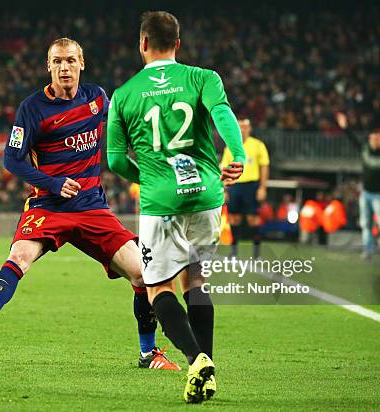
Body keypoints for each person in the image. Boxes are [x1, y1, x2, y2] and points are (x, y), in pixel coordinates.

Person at [0, 38, 179, 371]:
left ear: (81, 63)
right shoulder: (32, 109)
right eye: (57, 62)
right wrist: (52, 183)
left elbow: (125, 127)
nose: (64, 68)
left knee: (142, 273)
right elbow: (12, 159)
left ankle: (148, 353)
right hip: (47, 206)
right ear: (48, 66)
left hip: (91, 207)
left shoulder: (97, 98)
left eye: (70, 61)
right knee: (20, 256)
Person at [107, 11, 245, 403]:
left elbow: (115, 161)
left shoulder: (125, 94)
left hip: (160, 201)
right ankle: (208, 370)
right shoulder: (203, 78)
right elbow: (223, 114)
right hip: (205, 196)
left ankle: (195, 359)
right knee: (196, 281)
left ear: (143, 44)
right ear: (178, 44)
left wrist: (147, 178)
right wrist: (236, 154)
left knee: (158, 288)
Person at [335, 112, 380, 260]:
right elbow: (352, 139)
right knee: (365, 223)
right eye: (373, 138)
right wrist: (345, 127)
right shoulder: (365, 150)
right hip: (366, 193)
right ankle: (368, 250)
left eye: (378, 138)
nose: (375, 141)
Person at [219, 118, 269, 259]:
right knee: (234, 219)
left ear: (250, 128)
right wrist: (225, 189)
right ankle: (234, 253)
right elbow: (225, 168)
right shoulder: (230, 147)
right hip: (235, 186)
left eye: (245, 127)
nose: (242, 130)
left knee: (253, 219)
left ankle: (256, 253)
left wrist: (262, 187)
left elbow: (264, 166)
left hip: (252, 185)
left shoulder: (258, 145)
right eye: (240, 127)